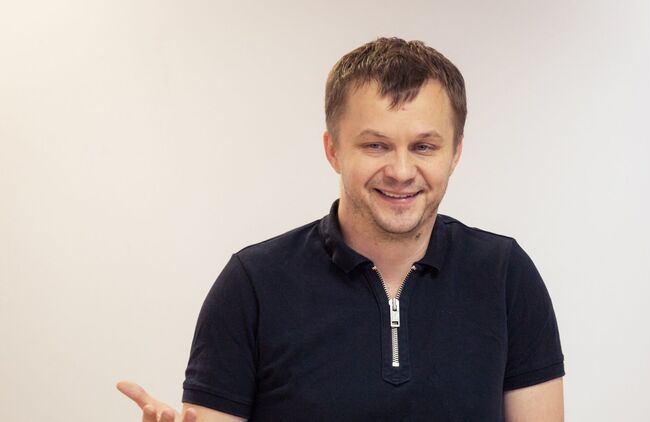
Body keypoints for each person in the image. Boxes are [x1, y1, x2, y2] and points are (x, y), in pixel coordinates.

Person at [117, 37, 565, 422]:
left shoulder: (506, 276)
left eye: (424, 146)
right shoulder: (252, 285)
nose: (401, 171)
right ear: (333, 150)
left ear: (456, 153)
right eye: (376, 145)